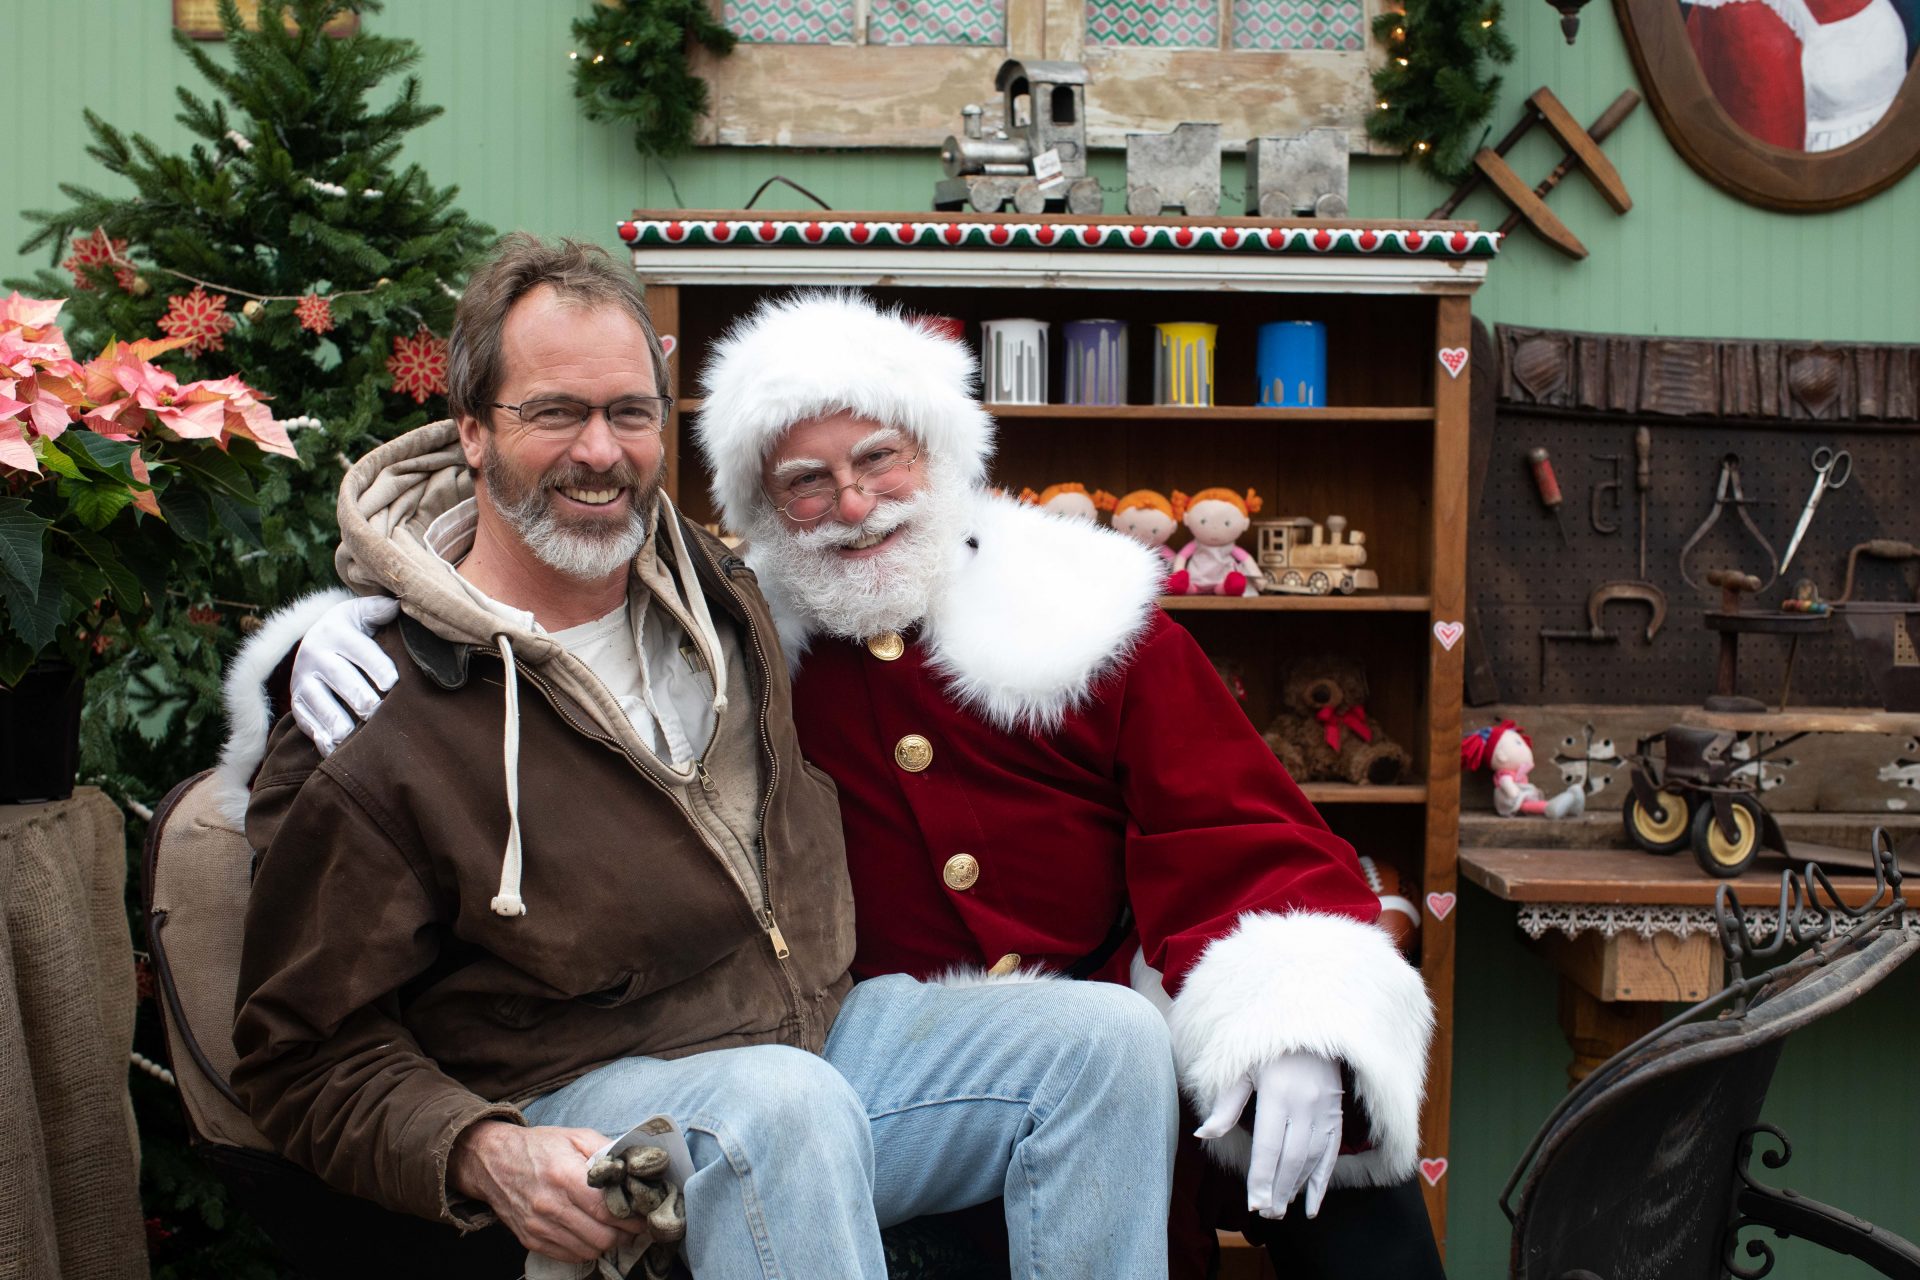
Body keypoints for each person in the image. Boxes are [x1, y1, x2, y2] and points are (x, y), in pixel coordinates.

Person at [281, 290, 1443, 1278]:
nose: (852, 505)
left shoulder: (1079, 611)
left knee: (1268, 1119)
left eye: (879, 457)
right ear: (755, 510)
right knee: (789, 1108)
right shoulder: (747, 623)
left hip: (963, 1056)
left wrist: (1298, 1010)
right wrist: (340, 626)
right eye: (805, 481)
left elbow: (1233, 824)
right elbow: (511, 580)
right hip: (751, 1073)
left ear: (941, 453)